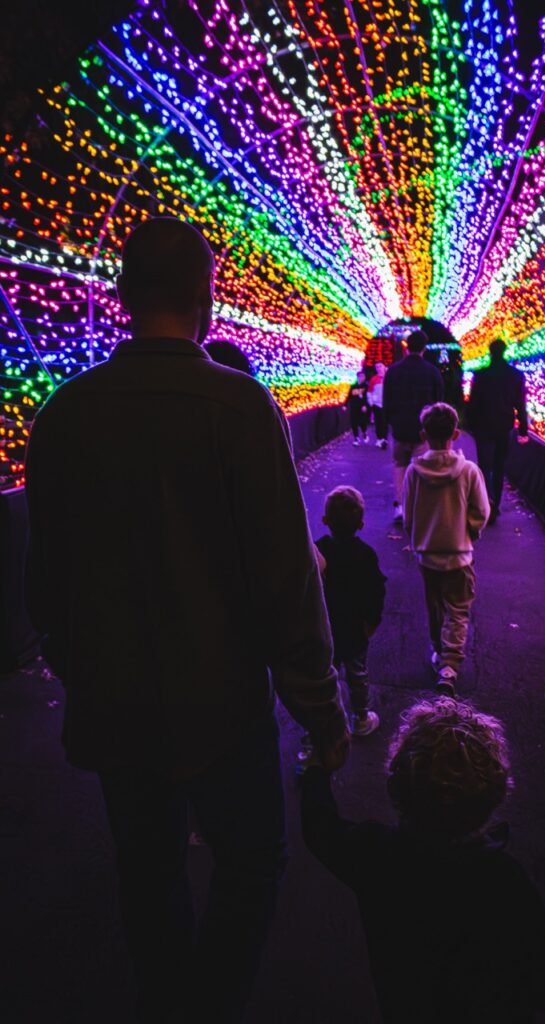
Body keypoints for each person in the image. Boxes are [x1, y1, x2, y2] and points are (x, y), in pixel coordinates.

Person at [24, 216, 349, 1024]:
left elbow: (44, 580)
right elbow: (284, 578)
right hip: (222, 707)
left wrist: (82, 666)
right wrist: (320, 706)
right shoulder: (240, 409)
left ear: (122, 297)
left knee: (146, 870)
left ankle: (168, 1001)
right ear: (207, 303)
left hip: (115, 704)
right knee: (253, 863)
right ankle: (214, 1002)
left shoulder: (65, 413)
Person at [301, 698, 545, 1023]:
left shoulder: (376, 853)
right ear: (495, 795)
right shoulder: (503, 879)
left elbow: (321, 829)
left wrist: (316, 770)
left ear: (397, 786)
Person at [403, 403, 490, 692]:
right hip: (459, 554)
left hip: (427, 554)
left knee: (435, 606)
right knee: (458, 610)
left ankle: (439, 651)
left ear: (423, 434)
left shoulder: (414, 472)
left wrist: (415, 538)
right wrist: (470, 533)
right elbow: (481, 511)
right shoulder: (469, 471)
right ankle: (450, 666)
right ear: (456, 433)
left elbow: (409, 513)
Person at [314, 486, 386, 737]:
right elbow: (376, 591)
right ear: (362, 524)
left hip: (325, 626)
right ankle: (362, 717)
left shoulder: (318, 550)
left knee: (326, 674)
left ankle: (328, 722)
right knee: (358, 674)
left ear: (325, 521)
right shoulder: (366, 555)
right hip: (355, 628)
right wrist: (372, 620)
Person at [382, 329, 444, 521]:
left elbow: (387, 400)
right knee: (421, 467)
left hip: (400, 428)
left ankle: (401, 505)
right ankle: (419, 506)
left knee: (400, 465)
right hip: (423, 430)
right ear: (424, 348)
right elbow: (438, 403)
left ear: (407, 347)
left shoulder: (393, 371)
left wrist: (390, 423)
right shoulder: (432, 372)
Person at [467, 338, 529, 524]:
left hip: (483, 425)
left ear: (490, 352)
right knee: (499, 465)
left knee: (485, 466)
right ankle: (496, 502)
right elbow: (520, 404)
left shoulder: (481, 375)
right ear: (504, 352)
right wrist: (523, 429)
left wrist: (470, 423)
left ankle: (489, 501)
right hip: (504, 425)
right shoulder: (515, 375)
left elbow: (474, 402)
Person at [367, 361, 388, 448]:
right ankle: (379, 439)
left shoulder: (389, 378)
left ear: (384, 367)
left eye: (380, 366)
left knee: (385, 422)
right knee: (378, 422)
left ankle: (384, 439)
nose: (378, 368)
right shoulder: (373, 379)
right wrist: (371, 402)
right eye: (377, 367)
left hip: (386, 404)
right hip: (377, 404)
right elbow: (369, 392)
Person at [347, 369, 370, 445]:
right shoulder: (353, 386)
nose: (361, 378)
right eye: (359, 376)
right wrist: (345, 405)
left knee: (362, 422)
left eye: (362, 376)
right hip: (354, 407)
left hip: (362, 407)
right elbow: (349, 396)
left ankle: (364, 433)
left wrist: (365, 405)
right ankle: (356, 438)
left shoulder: (366, 386)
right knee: (354, 423)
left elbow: (368, 397)